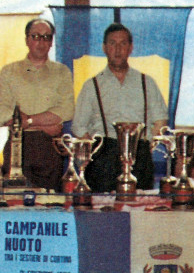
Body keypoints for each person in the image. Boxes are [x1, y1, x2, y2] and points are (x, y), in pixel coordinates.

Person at [72, 22, 168, 192]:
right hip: (103, 159)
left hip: (140, 156)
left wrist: (147, 145)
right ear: (104, 47)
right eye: (112, 43)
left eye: (123, 43)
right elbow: (78, 126)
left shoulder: (147, 82)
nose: (118, 49)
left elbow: (160, 120)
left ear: (130, 48)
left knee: (141, 212)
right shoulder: (92, 85)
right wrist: (95, 152)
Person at [0, 18, 74, 192]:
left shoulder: (62, 72)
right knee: (14, 203)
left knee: (51, 206)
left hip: (50, 148)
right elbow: (1, 113)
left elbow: (67, 111)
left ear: (51, 42)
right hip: (18, 146)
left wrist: (28, 120)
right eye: (36, 36)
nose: (41, 42)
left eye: (46, 37)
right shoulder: (9, 72)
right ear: (27, 40)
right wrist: (47, 123)